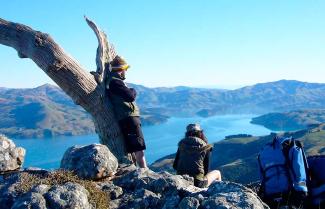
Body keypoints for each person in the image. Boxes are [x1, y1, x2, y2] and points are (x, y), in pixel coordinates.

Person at [107, 55, 147, 168]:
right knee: (139, 147)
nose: (126, 72)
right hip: (129, 118)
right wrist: (133, 89)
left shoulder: (112, 81)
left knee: (134, 147)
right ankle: (145, 172)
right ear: (122, 69)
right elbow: (130, 96)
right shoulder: (115, 82)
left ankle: (139, 170)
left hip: (125, 118)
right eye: (126, 69)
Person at [173, 123, 222, 188]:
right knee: (217, 172)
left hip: (181, 181)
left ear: (187, 133)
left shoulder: (181, 145)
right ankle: (216, 192)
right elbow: (206, 170)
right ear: (201, 133)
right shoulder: (205, 147)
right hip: (197, 183)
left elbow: (175, 166)